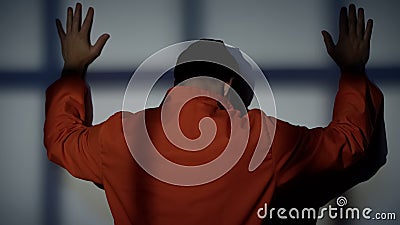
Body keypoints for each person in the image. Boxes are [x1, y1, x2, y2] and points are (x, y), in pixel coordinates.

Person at [44, 3, 386, 225]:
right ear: (229, 85)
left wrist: (73, 70)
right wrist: (353, 72)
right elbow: (351, 144)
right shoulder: (262, 139)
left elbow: (60, 140)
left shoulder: (120, 136)